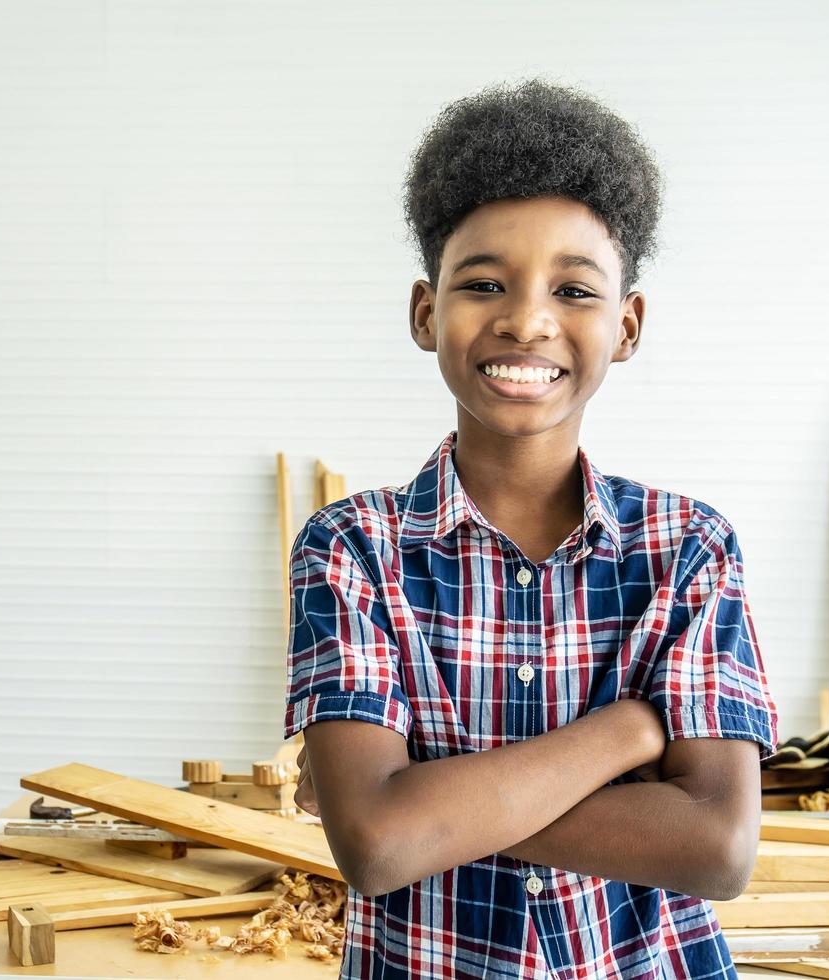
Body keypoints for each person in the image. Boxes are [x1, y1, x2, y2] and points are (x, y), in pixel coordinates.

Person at [283, 77, 779, 979]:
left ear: (626, 327)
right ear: (425, 312)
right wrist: (628, 735)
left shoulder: (688, 549)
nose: (527, 319)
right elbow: (379, 848)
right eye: (483, 283)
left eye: (575, 289)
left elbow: (717, 847)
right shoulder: (351, 548)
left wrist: (432, 803)